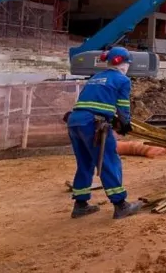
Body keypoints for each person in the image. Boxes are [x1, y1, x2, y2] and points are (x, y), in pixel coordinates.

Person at [66, 46, 142, 220]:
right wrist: (125, 122)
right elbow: (123, 105)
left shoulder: (96, 77)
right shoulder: (122, 80)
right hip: (94, 125)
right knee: (109, 161)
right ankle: (120, 205)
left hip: (74, 121)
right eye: (128, 63)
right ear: (123, 63)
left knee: (84, 163)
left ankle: (80, 204)